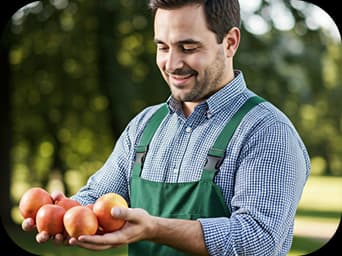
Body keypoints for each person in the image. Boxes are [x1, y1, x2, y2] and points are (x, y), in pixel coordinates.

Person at [22, 0, 311, 255]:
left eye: (188, 47)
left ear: (230, 42)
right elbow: (97, 198)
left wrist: (155, 229)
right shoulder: (145, 126)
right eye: (162, 46)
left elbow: (258, 241)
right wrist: (64, 211)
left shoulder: (267, 131)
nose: (172, 63)